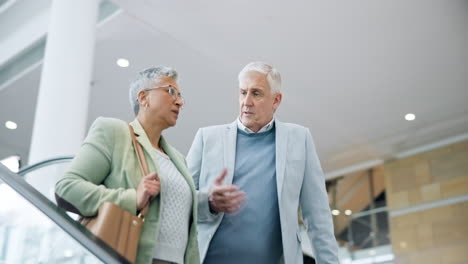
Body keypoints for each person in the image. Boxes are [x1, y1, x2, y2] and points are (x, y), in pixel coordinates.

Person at [186, 62, 339, 264]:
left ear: (276, 100)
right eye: (243, 93)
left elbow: (318, 216)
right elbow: (180, 200)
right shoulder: (207, 138)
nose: (246, 102)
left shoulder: (299, 139)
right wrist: (210, 202)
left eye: (256, 93)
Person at [55, 67, 200, 264]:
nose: (179, 102)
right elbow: (67, 188)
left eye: (181, 96)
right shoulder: (114, 132)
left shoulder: (178, 159)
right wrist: (132, 199)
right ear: (143, 97)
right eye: (171, 91)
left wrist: (211, 201)